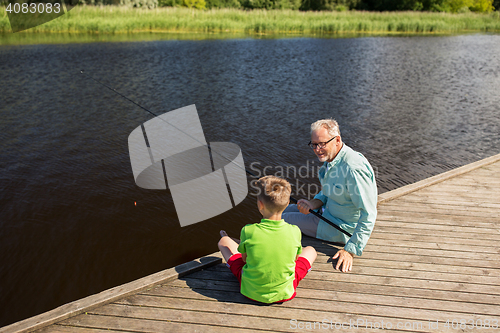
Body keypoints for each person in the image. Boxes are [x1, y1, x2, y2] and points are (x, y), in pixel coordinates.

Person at [282, 119, 377, 273]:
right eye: (314, 144)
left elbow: (369, 213)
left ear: (337, 140)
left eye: (322, 144)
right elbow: (328, 192)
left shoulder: (353, 169)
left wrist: (350, 250)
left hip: (339, 227)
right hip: (325, 212)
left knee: (281, 219)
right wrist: (313, 204)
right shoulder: (333, 158)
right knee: (282, 210)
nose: (317, 149)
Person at [218, 176, 317, 304]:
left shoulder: (248, 230)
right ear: (287, 204)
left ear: (260, 204)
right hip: (285, 291)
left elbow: (244, 259)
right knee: (311, 250)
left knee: (223, 242)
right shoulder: (295, 231)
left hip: (250, 290)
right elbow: (295, 259)